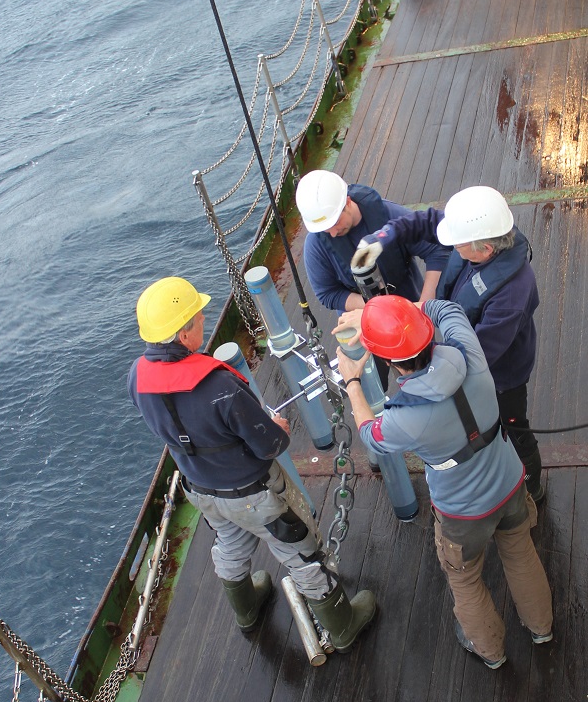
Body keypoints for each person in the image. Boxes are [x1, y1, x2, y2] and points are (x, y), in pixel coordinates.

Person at [127, 276, 376, 651]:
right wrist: (276, 426)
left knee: (229, 543)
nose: (203, 320)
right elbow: (270, 444)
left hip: (201, 491)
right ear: (182, 336)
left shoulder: (136, 378)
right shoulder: (217, 387)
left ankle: (246, 609)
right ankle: (342, 626)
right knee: (301, 552)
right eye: (197, 318)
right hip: (254, 496)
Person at [335, 296, 553, 669]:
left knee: (466, 582)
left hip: (462, 516)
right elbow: (446, 308)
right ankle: (541, 629)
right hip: (510, 482)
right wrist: (398, 313)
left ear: (388, 361)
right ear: (426, 335)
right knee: (521, 553)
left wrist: (352, 382)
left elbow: (371, 436)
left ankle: (492, 653)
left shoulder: (404, 419)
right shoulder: (469, 351)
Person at [351, 184, 545, 502]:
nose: (451, 246)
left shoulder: (512, 293)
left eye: (457, 245)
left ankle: (532, 490)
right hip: (460, 343)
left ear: (483, 250)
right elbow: (425, 221)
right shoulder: (476, 228)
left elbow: (476, 354)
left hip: (501, 377)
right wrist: (381, 238)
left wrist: (411, 341)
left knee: (515, 430)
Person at [295, 169, 451, 314]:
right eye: (325, 229)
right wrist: (380, 305)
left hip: (411, 307)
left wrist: (423, 308)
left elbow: (436, 251)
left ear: (348, 201)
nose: (333, 234)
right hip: (364, 321)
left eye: (335, 222)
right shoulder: (315, 245)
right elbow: (327, 293)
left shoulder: (391, 215)